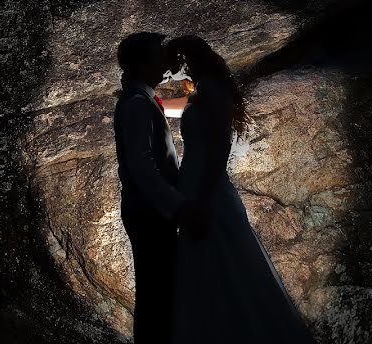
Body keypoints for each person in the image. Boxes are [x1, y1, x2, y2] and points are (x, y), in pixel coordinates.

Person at [163, 35, 317, 344]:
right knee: (210, 270)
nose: (167, 71)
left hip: (208, 189)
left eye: (171, 63)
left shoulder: (212, 90)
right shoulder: (201, 89)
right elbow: (173, 103)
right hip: (196, 186)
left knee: (229, 270)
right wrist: (142, 95)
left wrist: (204, 199)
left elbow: (220, 147)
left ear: (184, 61)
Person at [113, 32, 202, 344]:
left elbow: (189, 91)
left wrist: (191, 65)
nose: (163, 63)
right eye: (156, 56)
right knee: (156, 295)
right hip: (149, 213)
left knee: (159, 292)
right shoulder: (137, 104)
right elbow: (140, 165)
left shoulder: (145, 96)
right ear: (139, 65)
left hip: (150, 211)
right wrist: (176, 205)